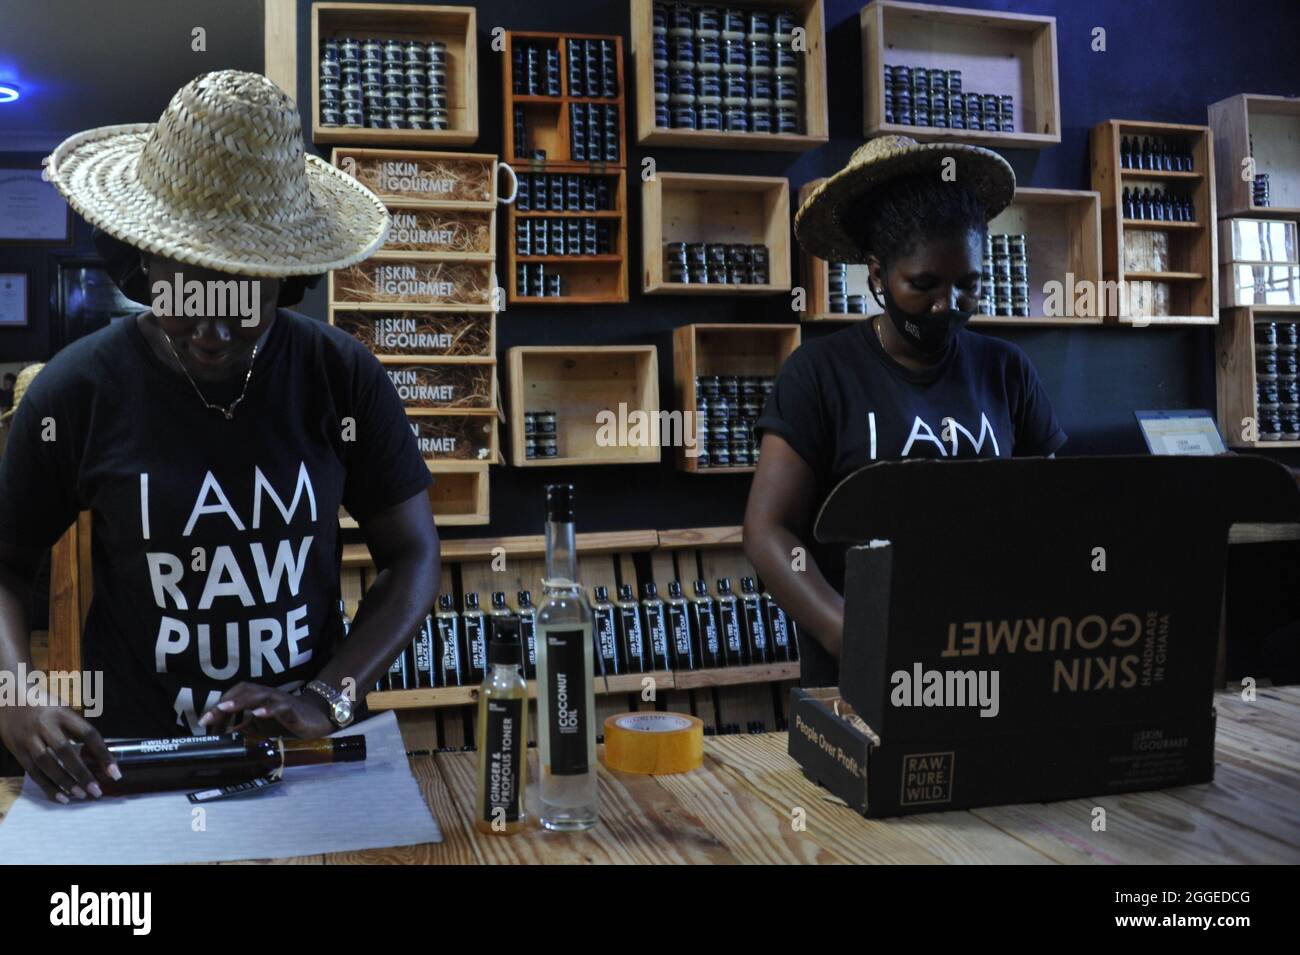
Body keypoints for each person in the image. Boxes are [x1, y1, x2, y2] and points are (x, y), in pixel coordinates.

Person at [0, 71, 440, 803]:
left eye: (238, 294)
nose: (209, 326)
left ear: (284, 276)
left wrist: (327, 695)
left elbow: (414, 551)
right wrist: (15, 693)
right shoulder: (76, 390)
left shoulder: (340, 377)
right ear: (145, 265)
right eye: (182, 291)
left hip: (302, 759)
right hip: (132, 765)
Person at [744, 136, 1067, 686]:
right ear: (877, 275)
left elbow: (1055, 516)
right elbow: (768, 530)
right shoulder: (820, 375)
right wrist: (845, 632)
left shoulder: (1007, 372)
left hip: (993, 659)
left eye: (968, 286)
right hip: (864, 673)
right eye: (923, 286)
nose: (947, 306)